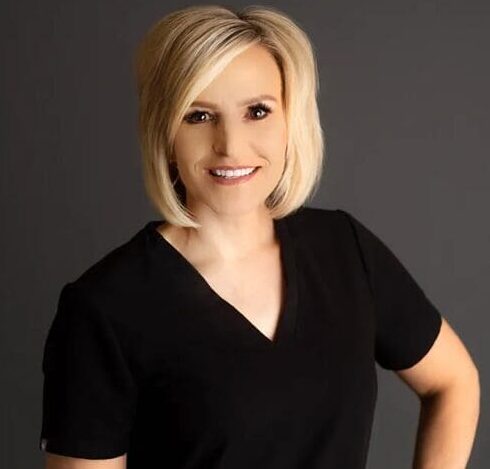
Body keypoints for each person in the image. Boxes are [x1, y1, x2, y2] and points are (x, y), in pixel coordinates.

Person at [39, 5, 480, 469]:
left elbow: (453, 382)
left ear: (290, 119)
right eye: (198, 116)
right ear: (163, 132)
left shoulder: (344, 249)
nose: (230, 144)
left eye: (257, 111)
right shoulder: (105, 307)